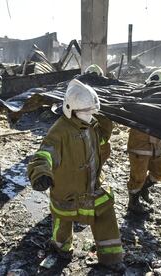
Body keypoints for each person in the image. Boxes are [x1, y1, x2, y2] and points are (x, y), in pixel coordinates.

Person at [27, 79, 125, 272]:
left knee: (106, 215)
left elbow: (102, 140)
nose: (90, 115)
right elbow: (45, 153)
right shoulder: (59, 131)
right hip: (67, 189)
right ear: (71, 109)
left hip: (94, 185)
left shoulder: (93, 124)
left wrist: (108, 119)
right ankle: (60, 247)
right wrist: (40, 172)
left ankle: (111, 257)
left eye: (92, 111)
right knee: (62, 222)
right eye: (86, 112)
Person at [126, 69, 161, 214]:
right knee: (137, 177)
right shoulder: (140, 97)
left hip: (156, 145)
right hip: (140, 145)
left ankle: (144, 189)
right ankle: (133, 202)